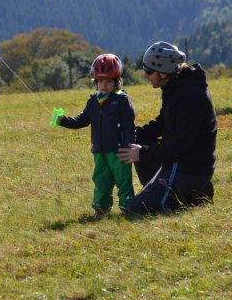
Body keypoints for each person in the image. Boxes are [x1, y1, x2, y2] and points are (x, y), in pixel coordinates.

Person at [116, 41, 217, 215]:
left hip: (189, 168)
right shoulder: (173, 86)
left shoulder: (189, 96)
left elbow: (179, 143)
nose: (146, 76)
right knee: (140, 149)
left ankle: (191, 192)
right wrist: (132, 136)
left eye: (149, 71)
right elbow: (163, 123)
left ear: (162, 73)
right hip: (179, 162)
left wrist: (143, 152)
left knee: (134, 211)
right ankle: (186, 193)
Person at [56, 53, 135, 220]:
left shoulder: (121, 100)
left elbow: (129, 124)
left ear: (116, 82)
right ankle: (100, 209)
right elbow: (82, 120)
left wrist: (130, 146)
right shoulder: (93, 101)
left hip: (120, 151)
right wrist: (64, 121)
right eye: (100, 81)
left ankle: (128, 207)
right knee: (101, 181)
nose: (104, 85)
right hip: (99, 151)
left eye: (108, 81)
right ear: (95, 83)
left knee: (123, 181)